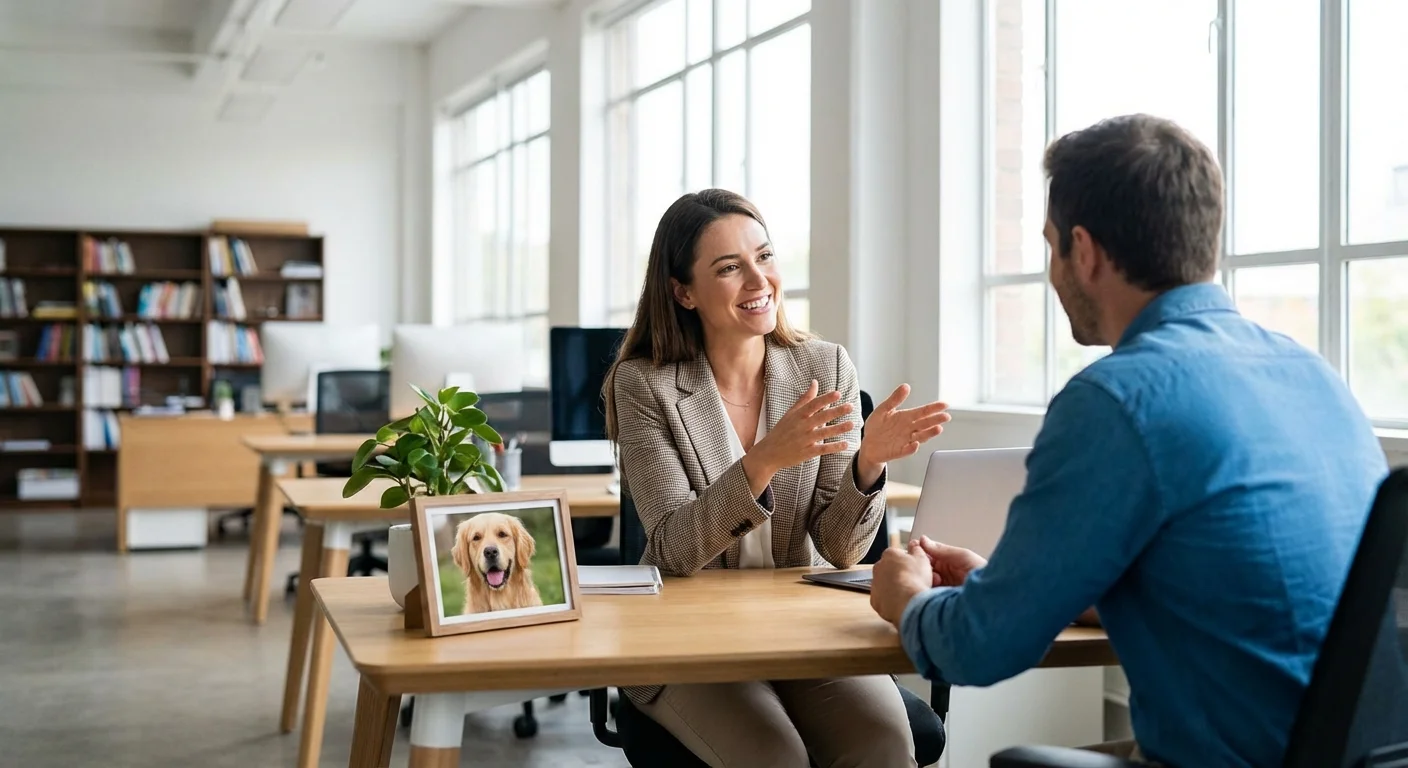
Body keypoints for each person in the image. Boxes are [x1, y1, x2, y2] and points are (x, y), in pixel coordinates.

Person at [869, 114, 1389, 767]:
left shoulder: (1114, 400)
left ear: (1083, 252)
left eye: (1051, 245)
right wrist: (1005, 585)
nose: (1053, 270)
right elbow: (1226, 592)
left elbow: (980, 649)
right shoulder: (1313, 376)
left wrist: (908, 600)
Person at [604, 188, 952, 768]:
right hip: (687, 639)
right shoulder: (645, 386)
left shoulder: (825, 367)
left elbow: (842, 549)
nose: (758, 280)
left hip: (797, 630)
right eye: (729, 268)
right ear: (683, 292)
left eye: (763, 257)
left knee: (885, 743)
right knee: (774, 757)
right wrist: (763, 459)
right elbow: (670, 550)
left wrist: (868, 464)